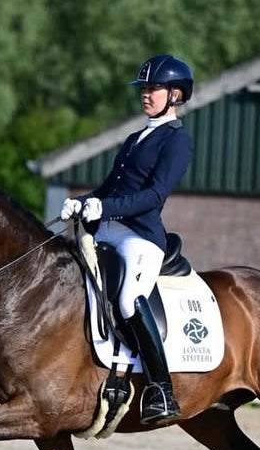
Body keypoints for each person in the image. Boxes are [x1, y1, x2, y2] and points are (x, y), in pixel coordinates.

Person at [60, 53, 194, 424]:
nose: (146, 95)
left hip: (140, 237)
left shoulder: (176, 141)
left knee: (128, 299)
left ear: (176, 95)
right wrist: (82, 202)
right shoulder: (136, 137)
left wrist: (104, 209)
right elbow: (108, 188)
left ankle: (161, 389)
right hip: (106, 231)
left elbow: (154, 196)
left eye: (154, 89)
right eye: (144, 89)